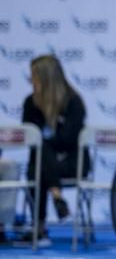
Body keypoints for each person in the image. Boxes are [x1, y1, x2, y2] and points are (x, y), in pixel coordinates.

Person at [21, 55, 88, 247]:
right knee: (39, 158)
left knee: (40, 157)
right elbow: (29, 136)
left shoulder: (73, 102)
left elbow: (68, 140)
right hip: (47, 164)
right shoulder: (30, 104)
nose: (31, 82)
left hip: (72, 162)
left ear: (47, 79)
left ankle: (39, 228)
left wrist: (45, 139)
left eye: (34, 77)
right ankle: (57, 197)